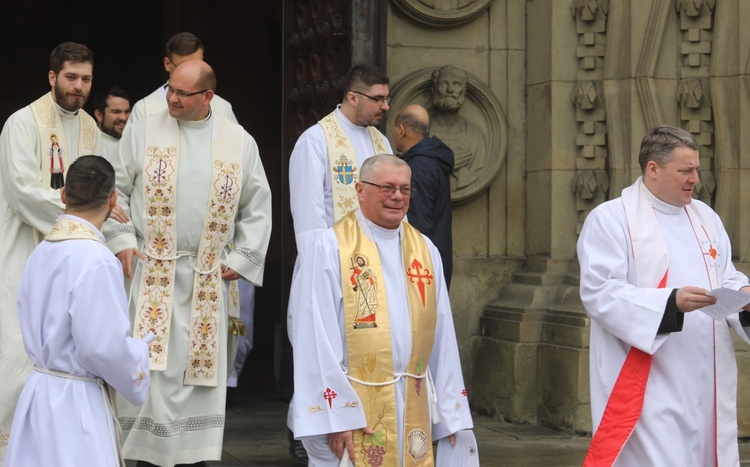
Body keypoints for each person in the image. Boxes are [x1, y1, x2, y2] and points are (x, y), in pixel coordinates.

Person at [103, 59, 272, 467]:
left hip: (209, 279)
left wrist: (243, 256)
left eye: (182, 93)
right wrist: (123, 241)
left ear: (208, 96)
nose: (171, 99)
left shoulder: (238, 141)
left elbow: (257, 207)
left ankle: (193, 457)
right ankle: (142, 457)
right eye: (170, 89)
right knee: (151, 373)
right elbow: (115, 192)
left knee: (198, 376)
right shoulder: (142, 133)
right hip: (150, 273)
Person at [577, 125, 750, 466]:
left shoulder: (706, 217)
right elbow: (600, 291)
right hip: (650, 380)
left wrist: (742, 293)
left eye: (696, 169)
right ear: (653, 168)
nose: (695, 179)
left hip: (707, 378)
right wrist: (671, 303)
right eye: (685, 170)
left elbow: (724, 273)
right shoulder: (611, 219)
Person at [288, 154, 474, 466]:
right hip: (357, 405)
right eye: (387, 187)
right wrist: (338, 415)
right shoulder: (331, 246)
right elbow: (314, 336)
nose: (398, 197)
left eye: (405, 189)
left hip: (413, 398)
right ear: (359, 189)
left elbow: (442, 335)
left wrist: (452, 412)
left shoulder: (425, 250)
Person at [3, 155, 151, 467]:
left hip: (39, 392)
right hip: (76, 404)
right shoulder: (96, 259)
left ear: (64, 195)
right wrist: (137, 356)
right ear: (113, 199)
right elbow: (102, 348)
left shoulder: (41, 251)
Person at [0, 41, 101, 462]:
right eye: (71, 77)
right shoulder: (21, 124)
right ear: (52, 77)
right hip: (25, 256)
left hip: (73, 264)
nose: (79, 87)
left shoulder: (94, 131)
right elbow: (24, 191)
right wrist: (83, 218)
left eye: (86, 79)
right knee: (17, 354)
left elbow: (103, 192)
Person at [287, 63, 392, 462]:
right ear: (353, 97)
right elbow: (310, 217)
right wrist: (323, 273)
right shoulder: (316, 141)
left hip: (375, 273)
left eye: (386, 97)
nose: (385, 106)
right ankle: (311, 432)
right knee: (325, 355)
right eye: (377, 98)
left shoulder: (382, 142)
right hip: (329, 270)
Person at [393, 104, 454, 288]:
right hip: (435, 257)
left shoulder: (418, 166)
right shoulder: (431, 160)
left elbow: (417, 221)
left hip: (421, 266)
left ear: (402, 130)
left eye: (394, 129)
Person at [128, 32, 236, 124]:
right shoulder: (144, 110)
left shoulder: (223, 107)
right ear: (167, 64)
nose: (190, 71)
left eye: (196, 63)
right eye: (182, 66)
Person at [427, 64, 486, 191]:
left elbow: (477, 171)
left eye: (457, 84)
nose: (450, 90)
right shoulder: (419, 132)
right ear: (434, 90)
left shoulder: (476, 136)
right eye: (444, 84)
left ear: (463, 91)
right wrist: (445, 162)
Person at [93, 85, 131, 158]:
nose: (123, 118)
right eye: (116, 112)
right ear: (99, 115)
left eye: (127, 111)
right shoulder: (89, 147)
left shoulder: (135, 140)